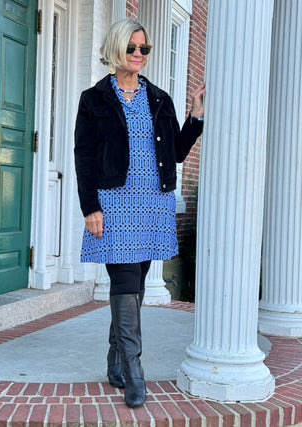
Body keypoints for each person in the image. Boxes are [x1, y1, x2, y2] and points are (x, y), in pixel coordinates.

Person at [74, 18, 205, 408]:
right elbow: (83, 157)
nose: (138, 54)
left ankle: (116, 358)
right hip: (113, 202)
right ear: (116, 49)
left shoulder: (160, 99)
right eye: (132, 47)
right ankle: (134, 372)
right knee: (125, 281)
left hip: (152, 202)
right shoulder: (93, 99)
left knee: (137, 281)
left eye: (144, 49)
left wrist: (195, 117)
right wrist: (90, 207)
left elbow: (176, 153)